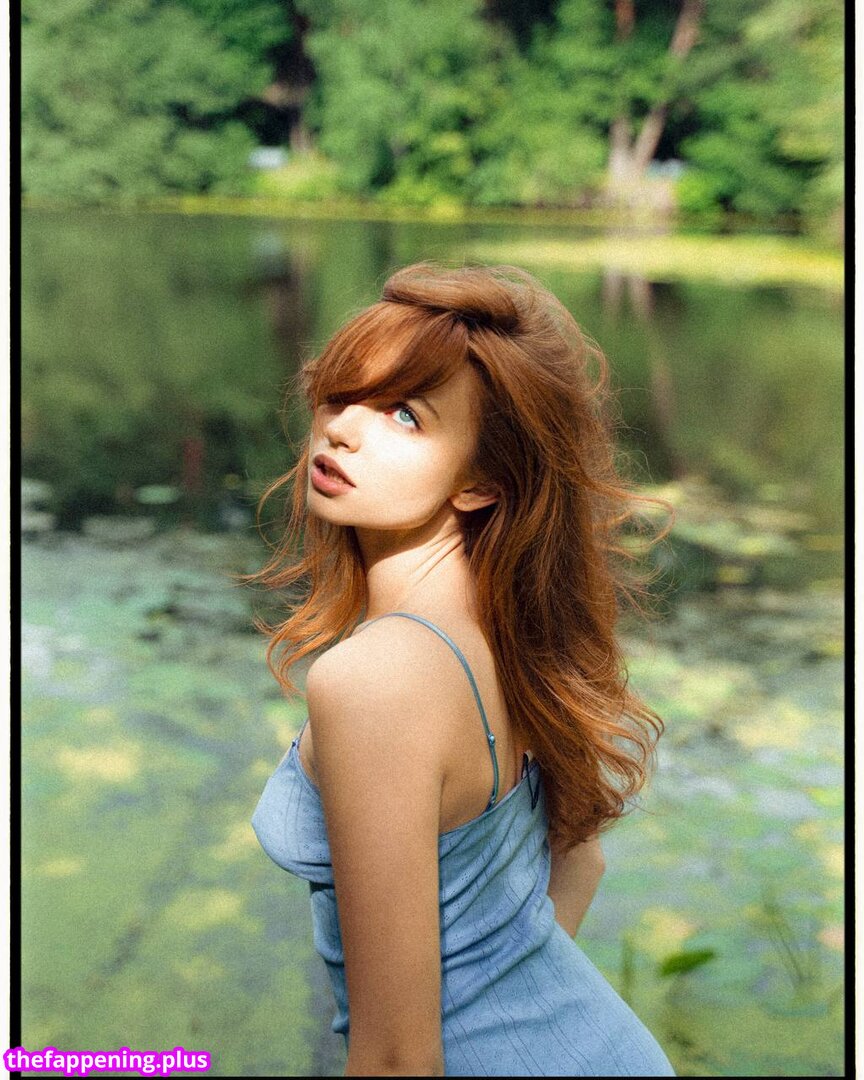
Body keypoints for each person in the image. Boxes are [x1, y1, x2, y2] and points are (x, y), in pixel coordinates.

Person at [248, 262, 676, 1077]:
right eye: (343, 395)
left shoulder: (376, 679)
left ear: (481, 482)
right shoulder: (513, 633)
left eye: (405, 415)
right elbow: (579, 861)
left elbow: (397, 1060)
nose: (343, 430)